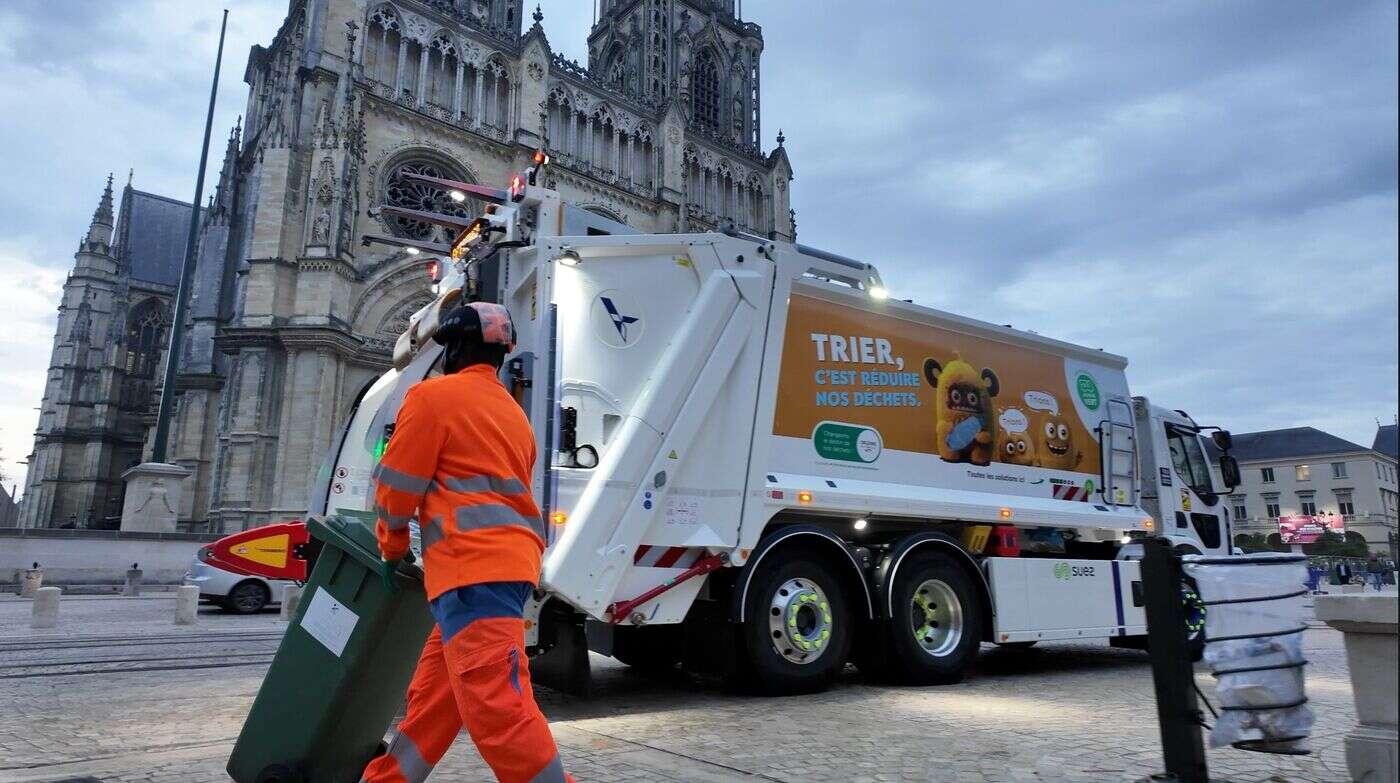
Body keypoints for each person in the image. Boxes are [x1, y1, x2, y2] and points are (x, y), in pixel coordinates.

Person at [361, 302, 572, 783]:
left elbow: (396, 492)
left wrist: (392, 550)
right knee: (436, 700)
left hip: (471, 571)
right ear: (500, 357)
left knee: (498, 706)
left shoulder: (432, 398)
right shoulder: (514, 416)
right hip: (506, 570)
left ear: (453, 349)